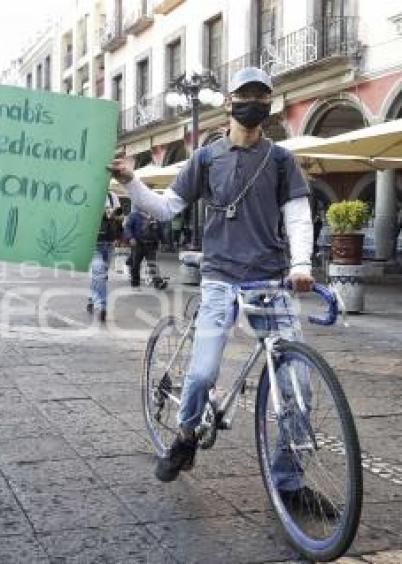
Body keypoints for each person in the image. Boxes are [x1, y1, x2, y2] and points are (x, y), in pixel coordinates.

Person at [108, 68, 321, 507]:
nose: (254, 102)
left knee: (299, 385)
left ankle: (289, 483)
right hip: (220, 279)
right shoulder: (206, 159)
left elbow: (298, 215)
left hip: (270, 281)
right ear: (228, 102)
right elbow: (166, 209)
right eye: (246, 94)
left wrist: (302, 265)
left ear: (270, 105)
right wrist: (131, 181)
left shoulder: (281, 160)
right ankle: (184, 436)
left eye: (263, 96)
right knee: (203, 373)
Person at [87, 191, 122, 322]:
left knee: (101, 275)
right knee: (99, 273)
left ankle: (91, 297)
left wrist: (114, 216)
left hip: (109, 242)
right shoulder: (90, 193)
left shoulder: (112, 196)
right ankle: (102, 306)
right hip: (93, 243)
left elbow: (119, 218)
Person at [125, 209, 163, 288]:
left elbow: (159, 229)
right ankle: (135, 283)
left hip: (151, 244)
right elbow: (128, 227)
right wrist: (131, 238)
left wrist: (162, 241)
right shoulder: (133, 215)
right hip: (138, 244)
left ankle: (158, 282)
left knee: (152, 263)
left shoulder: (154, 216)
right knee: (136, 264)